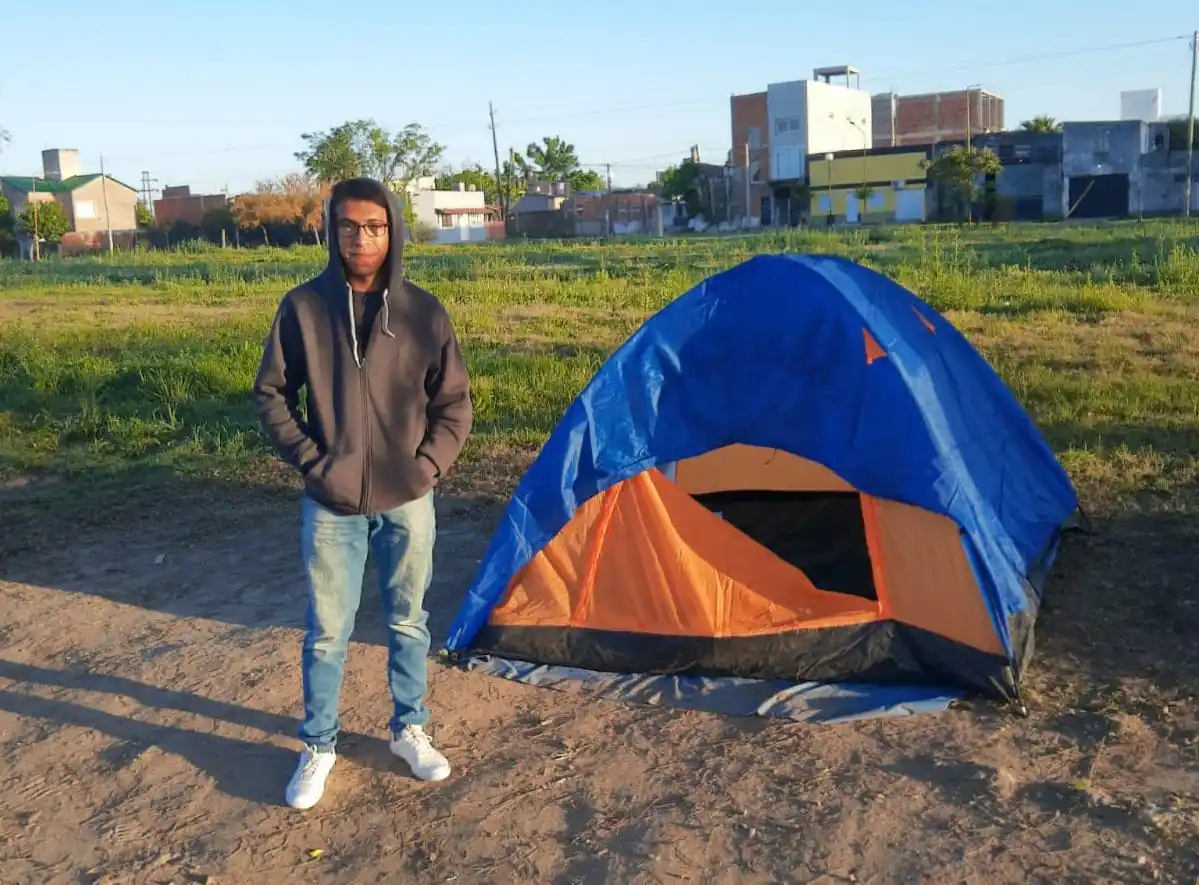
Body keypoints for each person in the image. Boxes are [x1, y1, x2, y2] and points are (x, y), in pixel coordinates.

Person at [251, 176, 472, 810]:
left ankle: (410, 728)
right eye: (349, 226)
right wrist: (312, 463)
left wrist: (426, 467)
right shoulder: (303, 309)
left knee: (408, 620)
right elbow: (271, 394)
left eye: (375, 226)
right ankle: (319, 743)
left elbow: (453, 403)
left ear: (394, 230)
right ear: (331, 230)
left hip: (408, 497)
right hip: (330, 501)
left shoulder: (424, 312)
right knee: (327, 629)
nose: (362, 238)